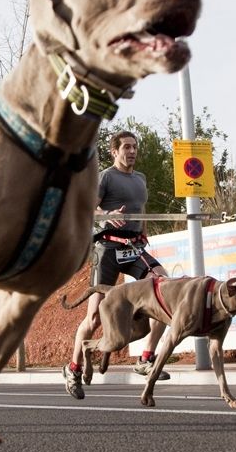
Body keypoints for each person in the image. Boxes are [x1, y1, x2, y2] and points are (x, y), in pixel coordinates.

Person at [65, 130, 168, 401]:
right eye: (126, 147)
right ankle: (73, 368)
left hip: (133, 248)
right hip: (108, 249)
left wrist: (143, 232)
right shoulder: (106, 177)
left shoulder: (140, 179)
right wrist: (107, 215)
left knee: (164, 288)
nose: (132, 151)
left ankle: (146, 358)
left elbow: (141, 210)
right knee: (95, 317)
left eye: (134, 147)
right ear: (114, 151)